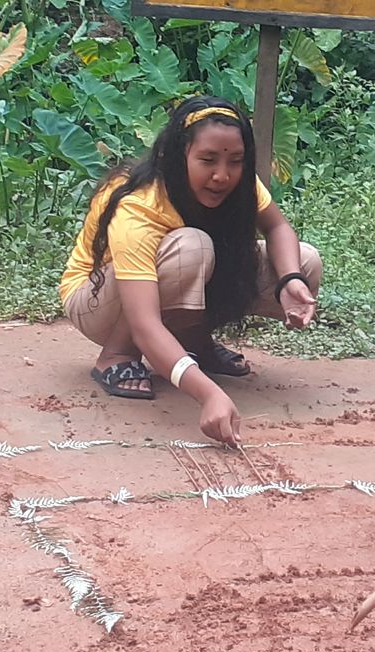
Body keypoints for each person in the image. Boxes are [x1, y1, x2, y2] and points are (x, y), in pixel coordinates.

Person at [59, 96, 322, 445]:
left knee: (305, 260)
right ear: (177, 156)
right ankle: (117, 355)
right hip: (97, 303)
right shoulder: (139, 203)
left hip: (170, 282)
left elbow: (277, 227)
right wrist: (208, 393)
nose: (222, 175)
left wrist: (290, 280)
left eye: (236, 161)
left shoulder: (240, 185)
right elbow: (145, 323)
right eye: (207, 160)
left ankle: (194, 344)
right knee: (191, 248)